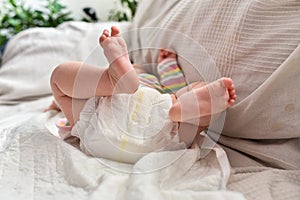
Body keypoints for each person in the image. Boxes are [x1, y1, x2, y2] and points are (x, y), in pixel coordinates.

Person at [47, 26, 236, 163]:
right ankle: (190, 110)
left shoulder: (124, 84)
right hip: (163, 132)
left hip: (99, 131)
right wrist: (168, 63)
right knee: (188, 95)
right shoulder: (159, 86)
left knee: (59, 78)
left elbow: (75, 95)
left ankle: (109, 79)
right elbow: (174, 83)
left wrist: (58, 103)